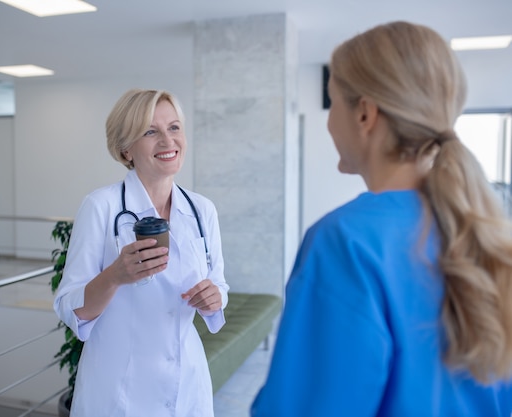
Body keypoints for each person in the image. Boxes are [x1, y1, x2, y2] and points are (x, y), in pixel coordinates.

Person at [251, 21, 512, 416]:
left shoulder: (345, 242)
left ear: (365, 114)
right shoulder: (484, 233)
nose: (328, 121)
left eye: (333, 100)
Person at [53, 88, 229, 417]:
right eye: (151, 132)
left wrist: (215, 297)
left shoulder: (202, 210)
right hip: (120, 387)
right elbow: (69, 306)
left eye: (174, 128)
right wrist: (116, 275)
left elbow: (219, 283)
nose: (168, 140)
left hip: (186, 380)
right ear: (125, 148)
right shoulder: (101, 207)